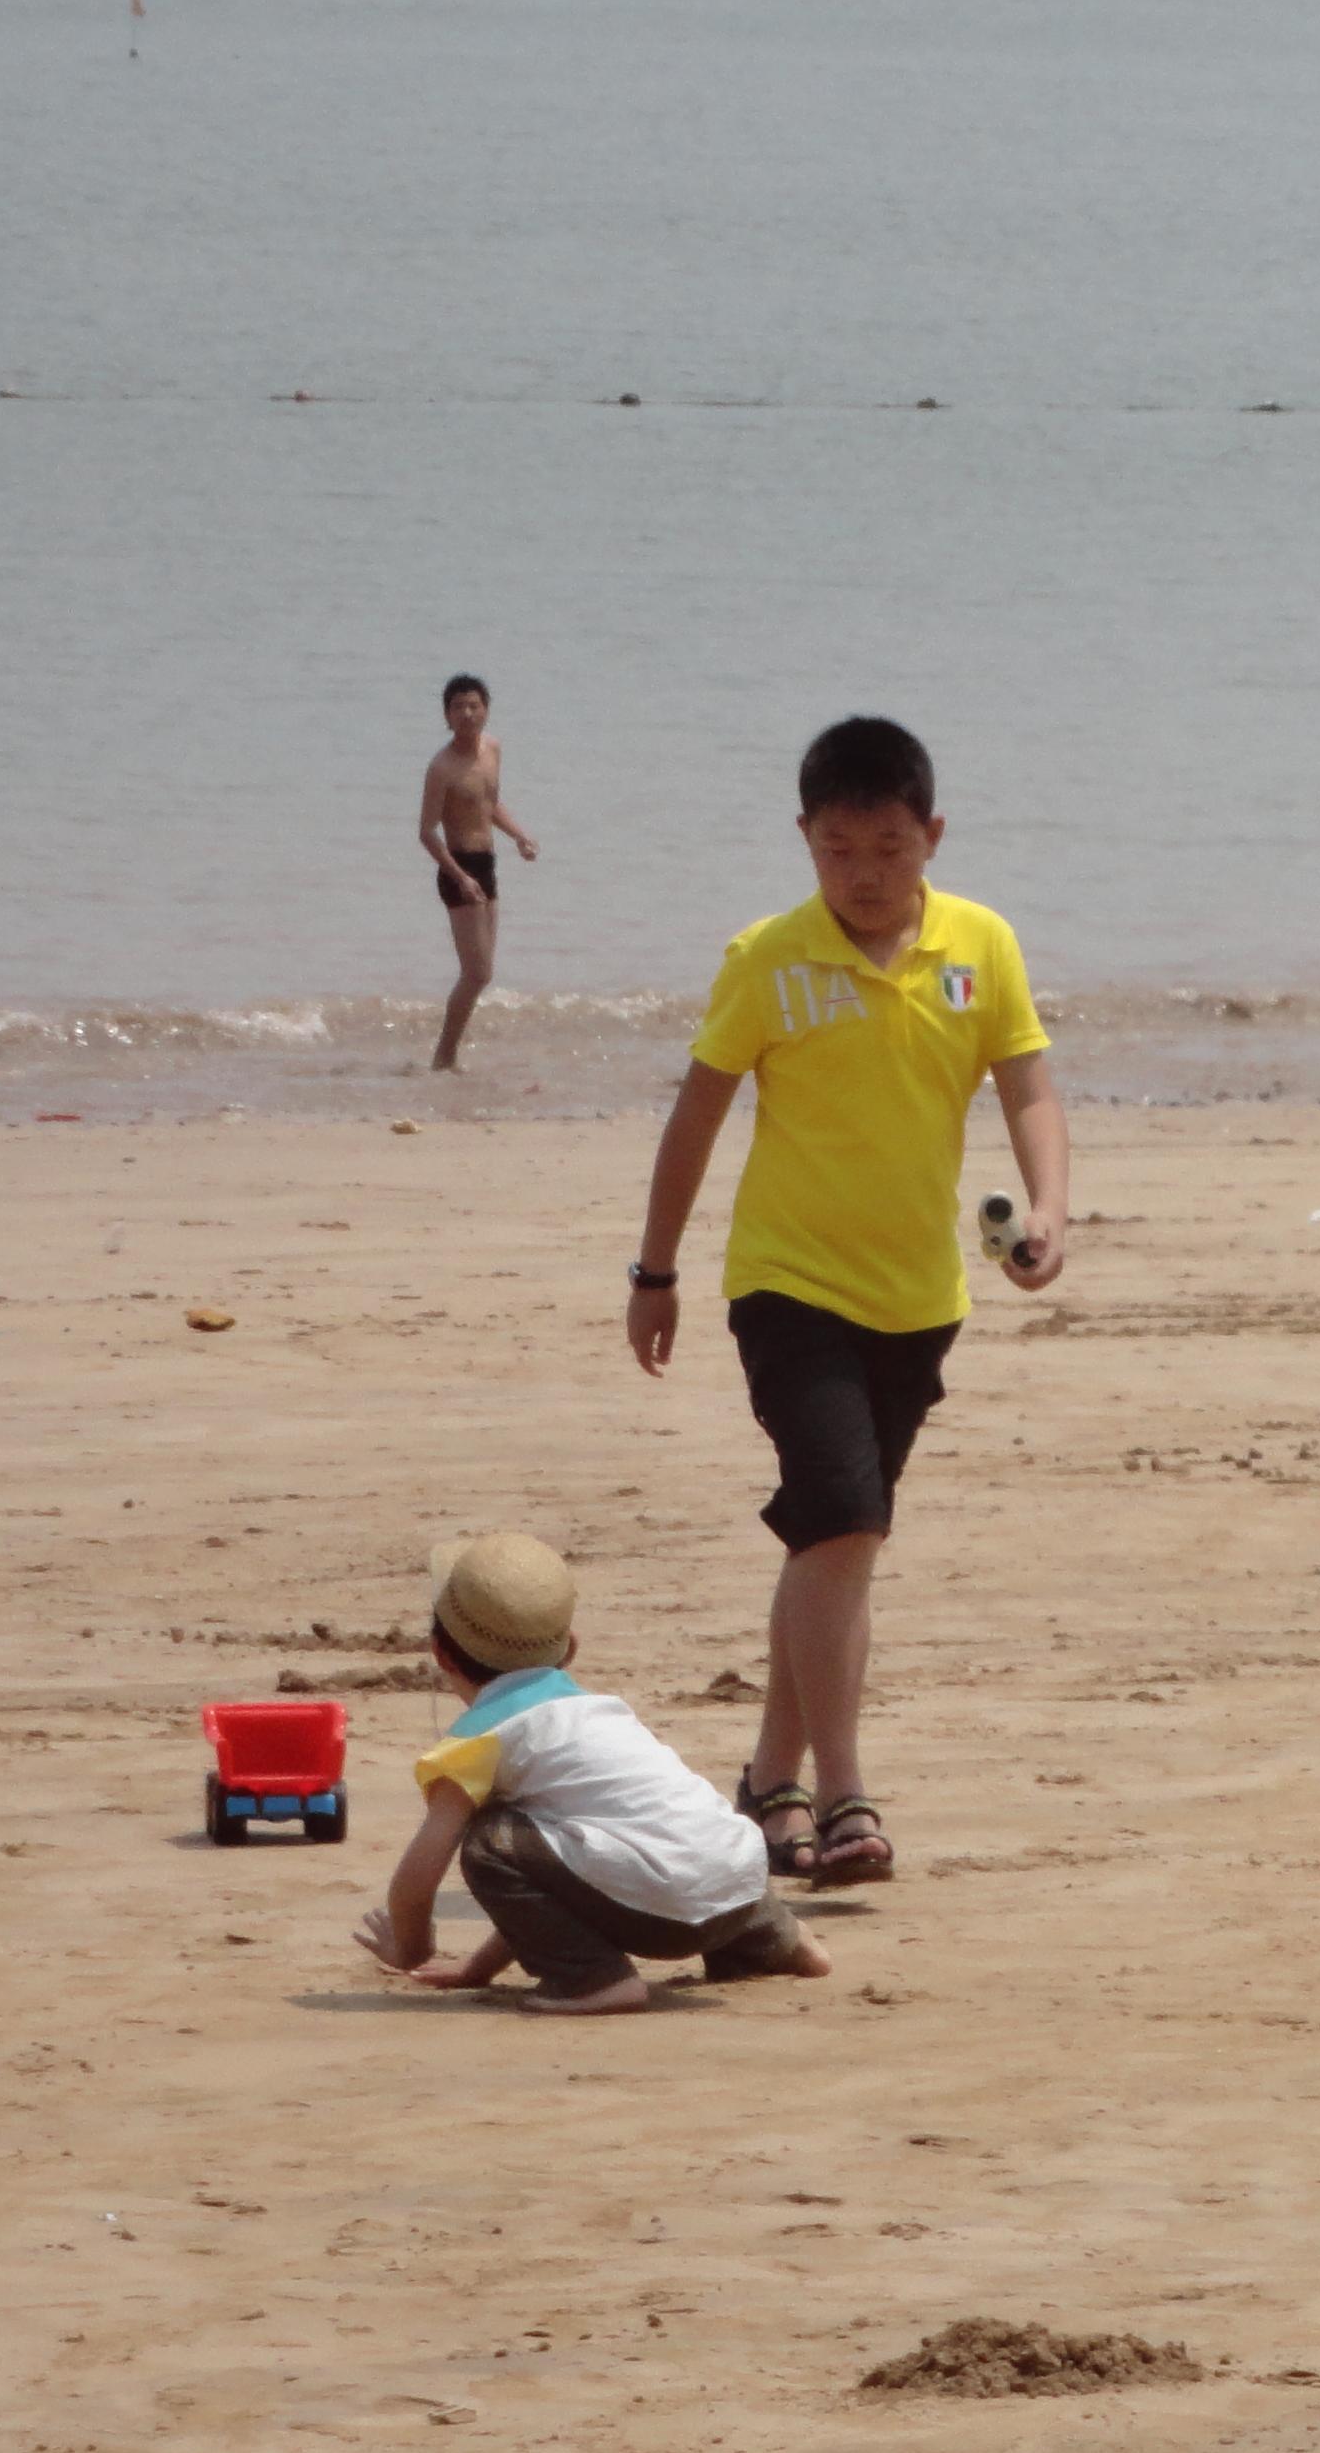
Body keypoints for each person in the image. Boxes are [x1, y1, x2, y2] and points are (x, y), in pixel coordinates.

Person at [625, 715, 1067, 1889]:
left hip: (922, 1298)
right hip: (789, 1286)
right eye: (836, 852)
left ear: (930, 834)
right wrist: (655, 1270)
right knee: (846, 1523)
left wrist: (1050, 1209)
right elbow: (697, 1116)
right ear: (805, 843)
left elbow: (1026, 1082)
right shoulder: (768, 958)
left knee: (834, 1548)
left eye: (886, 847)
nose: (863, 876)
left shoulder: (983, 946)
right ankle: (846, 1795)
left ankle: (767, 1785)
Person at [356, 1531, 829, 2015]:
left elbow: (419, 1877)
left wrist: (410, 1950)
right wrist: (480, 1969)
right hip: (739, 1885)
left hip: (660, 1915)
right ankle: (780, 1941)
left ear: (440, 1653)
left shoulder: (479, 1741)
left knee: (487, 1844)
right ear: (569, 1650)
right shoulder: (597, 1713)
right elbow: (556, 1882)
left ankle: (591, 1980)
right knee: (684, 1830)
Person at [417, 673, 539, 1073]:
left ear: (485, 710)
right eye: (458, 707)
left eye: (474, 706)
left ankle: (447, 1055)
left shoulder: (493, 750)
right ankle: (444, 1056)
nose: (467, 714)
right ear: (446, 716)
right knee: (478, 972)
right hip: (459, 869)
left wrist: (519, 835)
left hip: (487, 865)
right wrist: (459, 876)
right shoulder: (442, 767)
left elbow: (489, 804)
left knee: (481, 973)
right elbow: (427, 832)